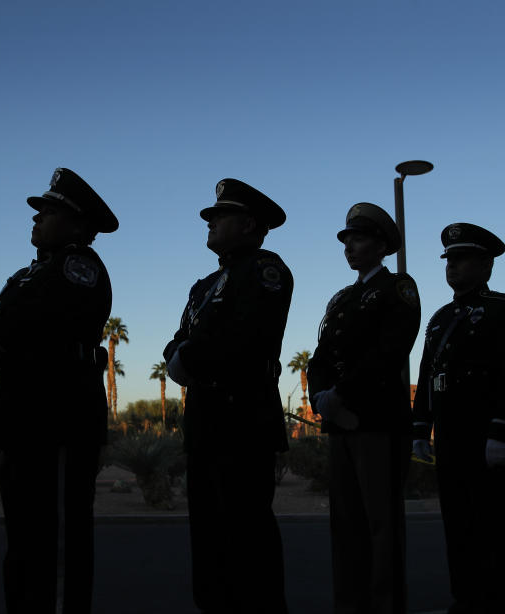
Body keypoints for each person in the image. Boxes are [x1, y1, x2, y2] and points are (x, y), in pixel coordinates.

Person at [0, 167, 116, 614]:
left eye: (48, 211)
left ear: (76, 224)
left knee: (53, 547)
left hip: (57, 423)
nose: (35, 218)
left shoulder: (78, 268)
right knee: (24, 546)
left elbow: (11, 324)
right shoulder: (30, 275)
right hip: (24, 423)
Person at [163, 178, 292, 613]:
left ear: (249, 224)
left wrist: (188, 357)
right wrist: (180, 354)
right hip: (205, 420)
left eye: (221, 216)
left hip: (243, 420)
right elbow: (178, 339)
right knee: (208, 534)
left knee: (246, 533)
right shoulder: (204, 286)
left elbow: (244, 336)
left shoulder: (265, 270)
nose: (211, 222)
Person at [412, 223, 505, 614]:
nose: (453, 266)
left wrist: (503, 429)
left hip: (487, 435)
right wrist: (420, 427)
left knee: (491, 527)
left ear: (486, 264)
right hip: (450, 435)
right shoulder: (440, 317)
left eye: (462, 258)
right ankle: (464, 599)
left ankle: (496, 602)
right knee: (458, 525)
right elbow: (427, 375)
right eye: (449, 259)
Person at [306, 202, 420, 613]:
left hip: (376, 422)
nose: (348, 247)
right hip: (340, 423)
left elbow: (389, 351)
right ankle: (350, 604)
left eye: (356, 238)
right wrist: (319, 396)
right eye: (346, 240)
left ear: (379, 245)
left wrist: (344, 393)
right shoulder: (343, 298)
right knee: (347, 526)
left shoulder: (397, 288)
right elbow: (320, 356)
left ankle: (385, 605)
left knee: (380, 526)